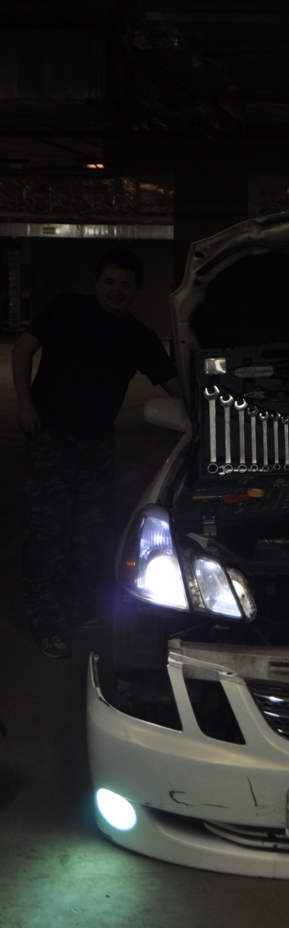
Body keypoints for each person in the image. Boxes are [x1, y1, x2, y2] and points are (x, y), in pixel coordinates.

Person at [12, 248, 181, 658]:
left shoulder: (138, 337)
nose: (116, 291)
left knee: (90, 533)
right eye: (110, 282)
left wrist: (214, 402)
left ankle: (75, 610)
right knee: (47, 533)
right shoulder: (67, 309)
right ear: (97, 282)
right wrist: (25, 405)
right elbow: (22, 351)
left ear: (136, 290)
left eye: (125, 285)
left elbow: (176, 384)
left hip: (97, 445)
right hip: (50, 438)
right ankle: (47, 623)